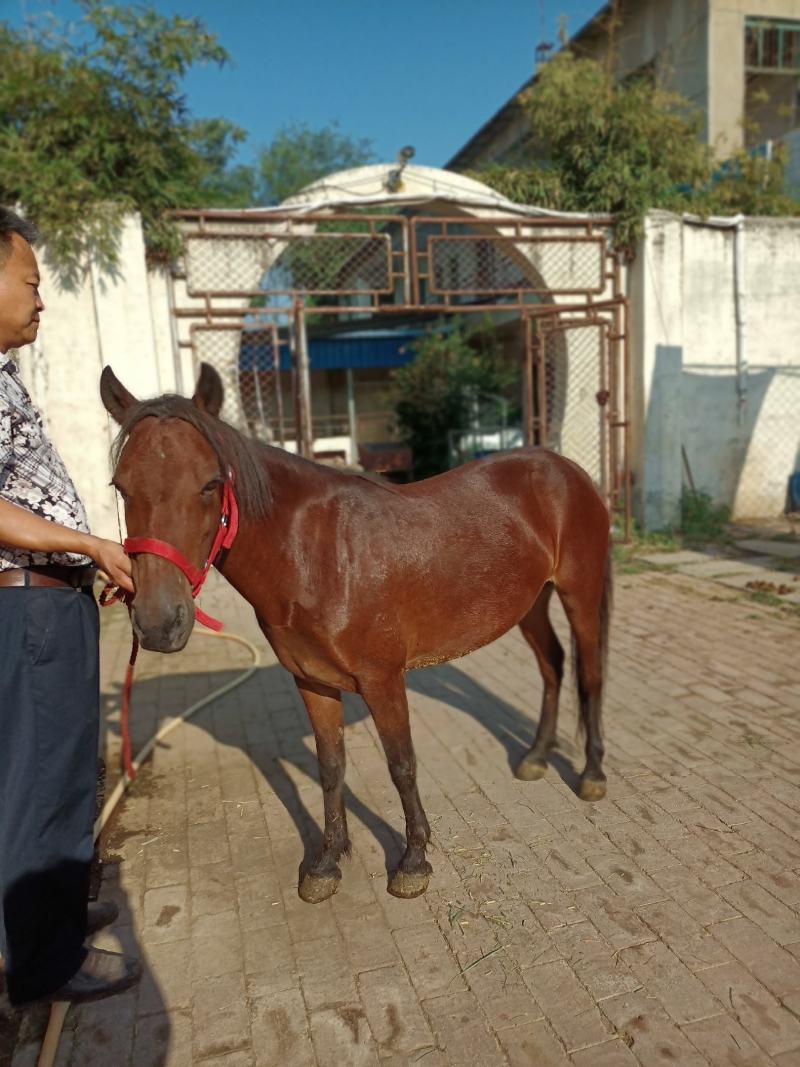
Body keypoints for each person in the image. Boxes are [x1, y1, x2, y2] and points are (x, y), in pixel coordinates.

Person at [0, 207, 141, 1006]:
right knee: (44, 782)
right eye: (30, 282)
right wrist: (88, 548)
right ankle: (47, 962)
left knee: (54, 773)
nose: (41, 299)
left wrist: (84, 566)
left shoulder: (3, 376)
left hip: (48, 603)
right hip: (29, 613)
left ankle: (44, 920)